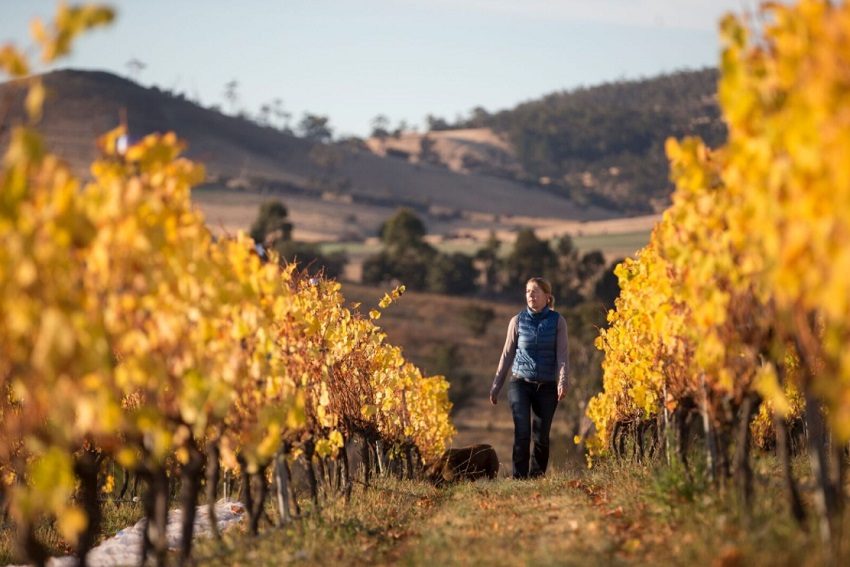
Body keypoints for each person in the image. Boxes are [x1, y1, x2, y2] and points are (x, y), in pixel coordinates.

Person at [489, 277, 568, 479]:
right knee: (522, 431)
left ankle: (536, 477)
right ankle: (519, 478)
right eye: (527, 292)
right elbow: (506, 354)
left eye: (535, 292)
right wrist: (496, 385)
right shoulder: (516, 321)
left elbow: (562, 356)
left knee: (541, 437)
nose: (530, 296)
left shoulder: (558, 321)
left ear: (547, 297)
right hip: (520, 383)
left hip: (547, 385)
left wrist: (562, 381)